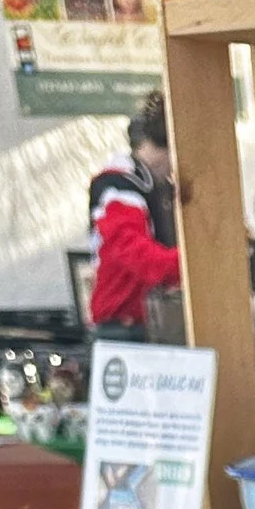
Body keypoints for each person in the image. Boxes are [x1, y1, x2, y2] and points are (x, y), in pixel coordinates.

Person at [88, 96, 180, 334]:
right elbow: (144, 260)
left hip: (144, 321)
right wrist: (200, 261)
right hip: (126, 326)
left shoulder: (146, 185)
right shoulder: (121, 186)